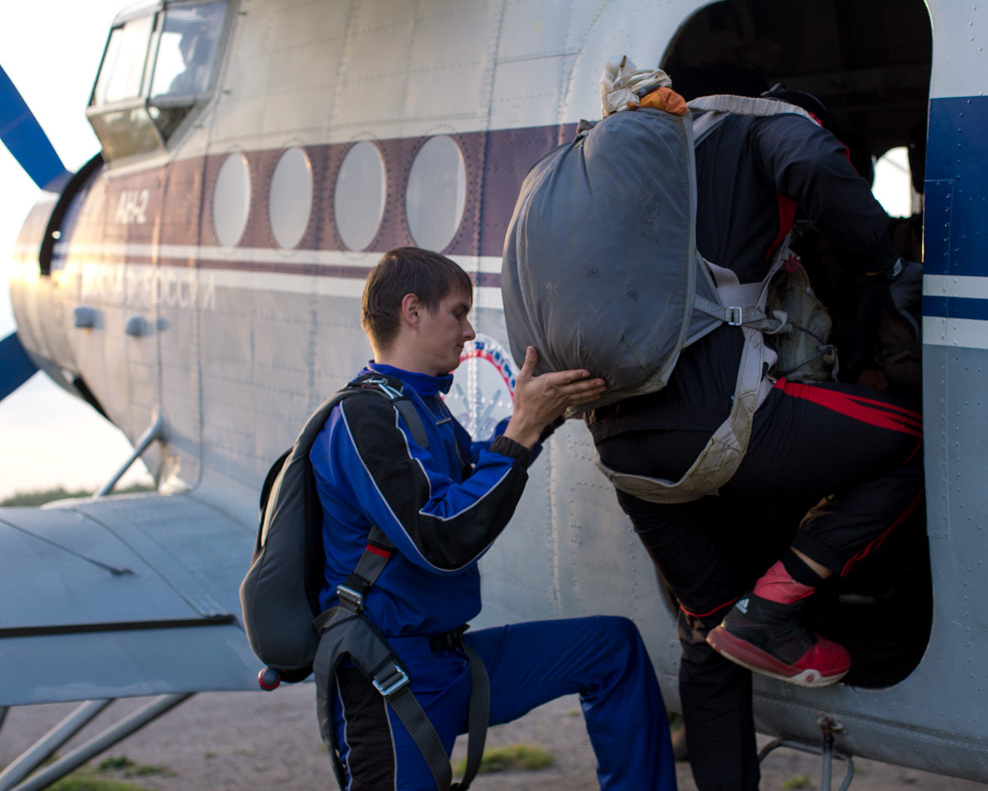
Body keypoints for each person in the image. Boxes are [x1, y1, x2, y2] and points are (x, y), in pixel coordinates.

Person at [587, 91, 925, 790]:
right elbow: (810, 162)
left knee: (707, 633)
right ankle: (774, 606)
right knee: (917, 443)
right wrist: (886, 267)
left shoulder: (652, 158)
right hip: (714, 426)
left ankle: (747, 630)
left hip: (621, 448)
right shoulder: (769, 128)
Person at [311, 247, 677, 790]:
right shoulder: (363, 416)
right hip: (389, 674)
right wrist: (522, 433)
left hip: (450, 658)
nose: (467, 331)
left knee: (612, 650)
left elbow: (481, 467)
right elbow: (441, 540)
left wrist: (542, 416)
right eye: (458, 313)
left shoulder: (421, 406)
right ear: (413, 311)